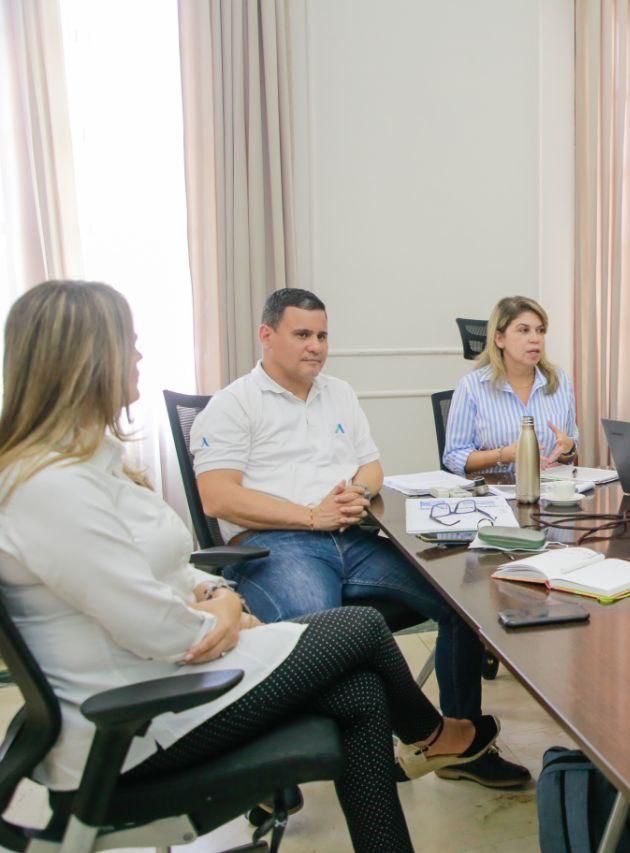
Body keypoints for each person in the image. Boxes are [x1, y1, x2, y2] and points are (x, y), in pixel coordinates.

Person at [0, 281, 496, 852]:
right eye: (128, 344)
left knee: (364, 692)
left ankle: (426, 761)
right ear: (87, 359)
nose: (137, 356)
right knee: (357, 629)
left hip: (177, 677)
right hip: (142, 722)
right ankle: (435, 734)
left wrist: (213, 589)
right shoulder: (52, 488)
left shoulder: (92, 464)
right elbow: (162, 630)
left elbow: (172, 566)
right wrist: (232, 609)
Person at [190, 288, 528, 788]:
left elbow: (371, 465)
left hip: (353, 538)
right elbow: (217, 497)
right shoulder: (233, 404)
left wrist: (358, 491)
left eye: (322, 335)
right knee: (332, 637)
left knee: (461, 598)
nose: (316, 346)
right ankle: (385, 745)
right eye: (302, 334)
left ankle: (463, 750)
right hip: (279, 544)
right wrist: (310, 516)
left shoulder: (339, 393)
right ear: (267, 336)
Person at [443, 296, 578, 475]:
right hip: (495, 495)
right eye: (524, 330)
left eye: (540, 331)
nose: (535, 339)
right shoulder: (471, 387)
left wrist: (568, 449)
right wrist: (503, 455)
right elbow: (454, 456)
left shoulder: (560, 382)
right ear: (500, 339)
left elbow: (569, 453)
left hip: (550, 492)